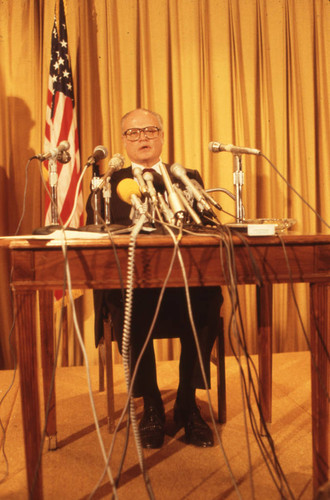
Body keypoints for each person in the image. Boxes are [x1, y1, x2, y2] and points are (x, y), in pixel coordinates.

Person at [87, 108, 223, 449]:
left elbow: (203, 227)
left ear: (162, 135)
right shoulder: (110, 183)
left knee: (209, 299)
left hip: (183, 284)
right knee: (129, 305)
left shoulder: (185, 177)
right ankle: (150, 406)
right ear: (124, 141)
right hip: (134, 284)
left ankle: (187, 405)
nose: (142, 138)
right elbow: (100, 236)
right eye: (133, 133)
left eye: (149, 130)